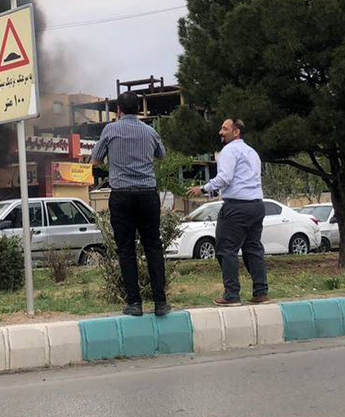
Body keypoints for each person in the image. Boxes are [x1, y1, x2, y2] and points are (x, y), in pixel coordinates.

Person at [92, 91, 170, 317]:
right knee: (153, 246)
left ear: (118, 110)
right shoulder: (150, 131)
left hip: (122, 196)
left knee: (126, 249)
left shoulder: (110, 130)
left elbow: (96, 158)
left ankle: (134, 303)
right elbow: (162, 155)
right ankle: (160, 302)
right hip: (148, 194)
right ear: (138, 109)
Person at [188, 118, 269, 306]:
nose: (220, 132)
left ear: (236, 132)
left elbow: (225, 177)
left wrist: (203, 188)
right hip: (256, 206)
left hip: (236, 207)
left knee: (226, 250)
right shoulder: (252, 152)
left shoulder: (229, 151)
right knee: (253, 249)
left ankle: (231, 294)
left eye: (225, 129)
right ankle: (261, 291)